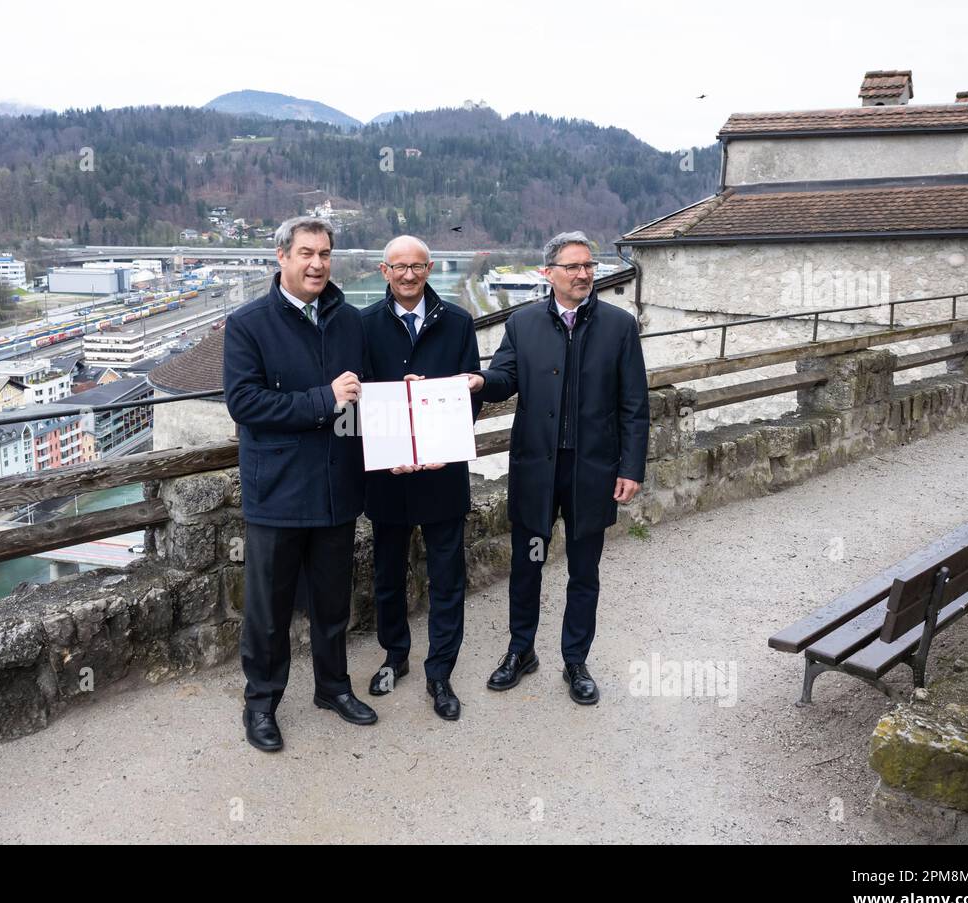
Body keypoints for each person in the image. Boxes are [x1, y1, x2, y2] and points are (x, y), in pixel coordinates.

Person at [469, 231, 650, 705]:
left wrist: (631, 467)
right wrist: (479, 380)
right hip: (537, 471)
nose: (584, 274)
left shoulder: (618, 326)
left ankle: (575, 660)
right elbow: (505, 378)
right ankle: (520, 650)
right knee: (528, 565)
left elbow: (634, 404)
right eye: (572, 266)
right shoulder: (523, 322)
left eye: (589, 265)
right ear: (548, 273)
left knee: (583, 570)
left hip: (591, 472)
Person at [223, 216, 377, 752]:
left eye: (326, 254)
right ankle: (261, 704)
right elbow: (244, 404)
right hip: (279, 492)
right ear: (282, 258)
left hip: (337, 486)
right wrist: (323, 399)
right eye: (307, 253)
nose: (317, 264)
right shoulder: (248, 323)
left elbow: (364, 399)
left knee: (334, 603)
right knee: (269, 611)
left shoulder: (349, 322)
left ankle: (333, 689)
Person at [360, 235, 481, 720]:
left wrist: (443, 441)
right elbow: (358, 398)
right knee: (388, 576)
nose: (408, 276)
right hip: (387, 477)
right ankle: (395, 657)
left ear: (430, 268)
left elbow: (471, 393)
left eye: (417, 267)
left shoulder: (458, 322)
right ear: (383, 270)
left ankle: (440, 673)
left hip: (441, 475)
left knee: (447, 579)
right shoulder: (362, 324)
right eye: (399, 267)